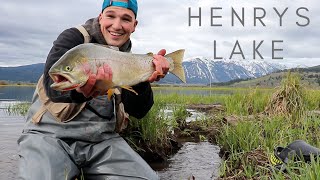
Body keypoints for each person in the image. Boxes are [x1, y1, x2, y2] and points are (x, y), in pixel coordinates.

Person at [17, 0, 169, 179]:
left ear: (134, 25)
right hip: (48, 137)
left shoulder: (129, 60)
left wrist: (143, 79)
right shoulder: (73, 39)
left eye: (126, 19)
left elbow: (139, 111)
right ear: (101, 17)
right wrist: (79, 92)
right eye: (111, 16)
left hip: (101, 142)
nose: (117, 25)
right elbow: (53, 88)